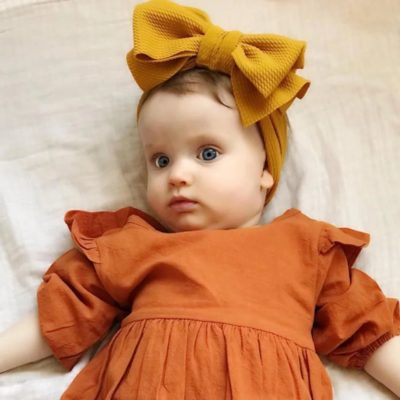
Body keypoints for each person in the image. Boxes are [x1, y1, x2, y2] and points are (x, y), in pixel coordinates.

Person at [0, 0, 400, 398]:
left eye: (208, 153)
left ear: (265, 169)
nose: (177, 175)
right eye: (160, 160)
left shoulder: (307, 249)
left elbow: (370, 332)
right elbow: (59, 318)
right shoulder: (134, 244)